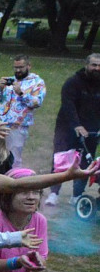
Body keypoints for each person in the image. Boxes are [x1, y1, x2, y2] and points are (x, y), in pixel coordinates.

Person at [46, 53, 100, 206]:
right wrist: (76, 125)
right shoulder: (73, 82)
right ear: (86, 65)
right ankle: (54, 193)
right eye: (94, 65)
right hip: (66, 127)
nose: (97, 68)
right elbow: (68, 105)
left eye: (99, 65)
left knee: (86, 162)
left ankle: (77, 195)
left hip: (92, 130)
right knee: (61, 160)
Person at [0, 55, 45, 168]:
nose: (18, 70)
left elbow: (36, 103)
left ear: (29, 66)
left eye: (21, 67)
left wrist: (21, 93)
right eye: (15, 67)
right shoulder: (10, 81)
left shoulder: (37, 83)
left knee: (14, 158)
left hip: (17, 127)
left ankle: (14, 182)